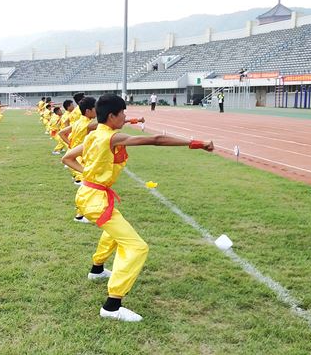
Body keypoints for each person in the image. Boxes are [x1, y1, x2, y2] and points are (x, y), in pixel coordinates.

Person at [62, 94, 213, 322]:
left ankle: (97, 270)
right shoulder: (112, 137)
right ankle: (112, 306)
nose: (124, 116)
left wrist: (90, 176)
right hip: (95, 199)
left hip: (89, 195)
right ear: (112, 116)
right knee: (137, 247)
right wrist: (195, 143)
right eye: (122, 113)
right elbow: (157, 140)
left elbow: (68, 157)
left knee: (114, 232)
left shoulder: (94, 135)